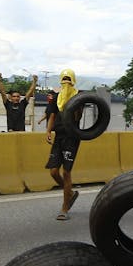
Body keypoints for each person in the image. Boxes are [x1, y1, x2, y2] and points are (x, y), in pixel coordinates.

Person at [45, 69, 83, 220]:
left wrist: (75, 106)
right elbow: (52, 115)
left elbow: (78, 117)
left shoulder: (78, 96)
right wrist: (48, 132)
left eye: (69, 79)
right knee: (53, 172)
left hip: (72, 137)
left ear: (73, 80)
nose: (66, 82)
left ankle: (64, 208)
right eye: (64, 79)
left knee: (66, 172)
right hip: (59, 136)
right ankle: (70, 193)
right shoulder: (57, 97)